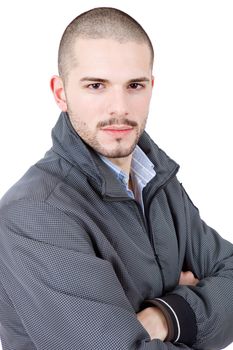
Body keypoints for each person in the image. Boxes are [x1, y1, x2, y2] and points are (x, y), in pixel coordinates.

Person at [0, 6, 232, 350]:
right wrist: (197, 301)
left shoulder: (158, 181)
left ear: (151, 87)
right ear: (61, 93)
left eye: (134, 85)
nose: (119, 107)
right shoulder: (35, 214)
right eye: (96, 85)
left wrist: (166, 316)